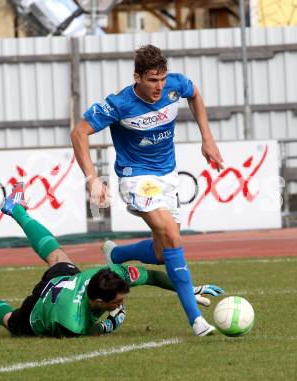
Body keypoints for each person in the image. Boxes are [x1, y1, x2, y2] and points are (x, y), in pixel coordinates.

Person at [71, 44, 224, 336]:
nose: (159, 86)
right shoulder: (118, 104)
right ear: (137, 77)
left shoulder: (174, 85)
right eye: (152, 80)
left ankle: (115, 256)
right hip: (136, 178)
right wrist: (92, 178)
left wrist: (208, 138)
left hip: (168, 176)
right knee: (172, 234)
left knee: (160, 253)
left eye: (162, 79)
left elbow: (195, 94)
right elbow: (79, 132)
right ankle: (196, 320)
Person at [0, 183, 224, 338]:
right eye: (118, 301)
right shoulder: (71, 322)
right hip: (43, 308)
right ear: (100, 301)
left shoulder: (110, 276)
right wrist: (111, 323)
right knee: (11, 322)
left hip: (65, 281)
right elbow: (88, 331)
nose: (122, 301)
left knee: (57, 255)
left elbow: (154, 276)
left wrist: (189, 288)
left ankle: (15, 209)